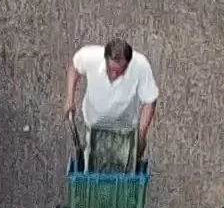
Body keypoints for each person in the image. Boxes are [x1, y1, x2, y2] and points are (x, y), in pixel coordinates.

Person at [67, 38, 158, 169]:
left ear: (128, 64)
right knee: (93, 164)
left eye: (119, 71)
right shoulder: (90, 56)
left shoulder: (140, 66)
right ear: (105, 59)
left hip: (124, 131)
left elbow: (150, 100)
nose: (114, 75)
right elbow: (74, 67)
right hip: (94, 126)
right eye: (111, 69)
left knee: (125, 169)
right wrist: (70, 99)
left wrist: (141, 132)